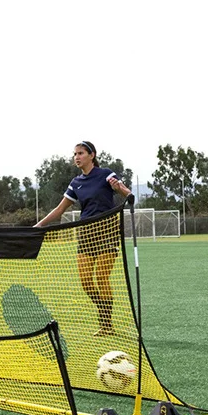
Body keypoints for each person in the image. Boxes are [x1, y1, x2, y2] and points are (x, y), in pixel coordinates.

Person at [35, 141, 132, 336]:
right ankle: (104, 312)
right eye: (75, 154)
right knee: (86, 282)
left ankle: (106, 324)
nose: (76, 157)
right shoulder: (75, 182)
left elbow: (127, 193)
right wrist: (39, 226)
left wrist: (119, 188)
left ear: (92, 155)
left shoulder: (106, 174)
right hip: (86, 233)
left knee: (102, 278)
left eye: (81, 153)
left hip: (107, 230)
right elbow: (60, 209)